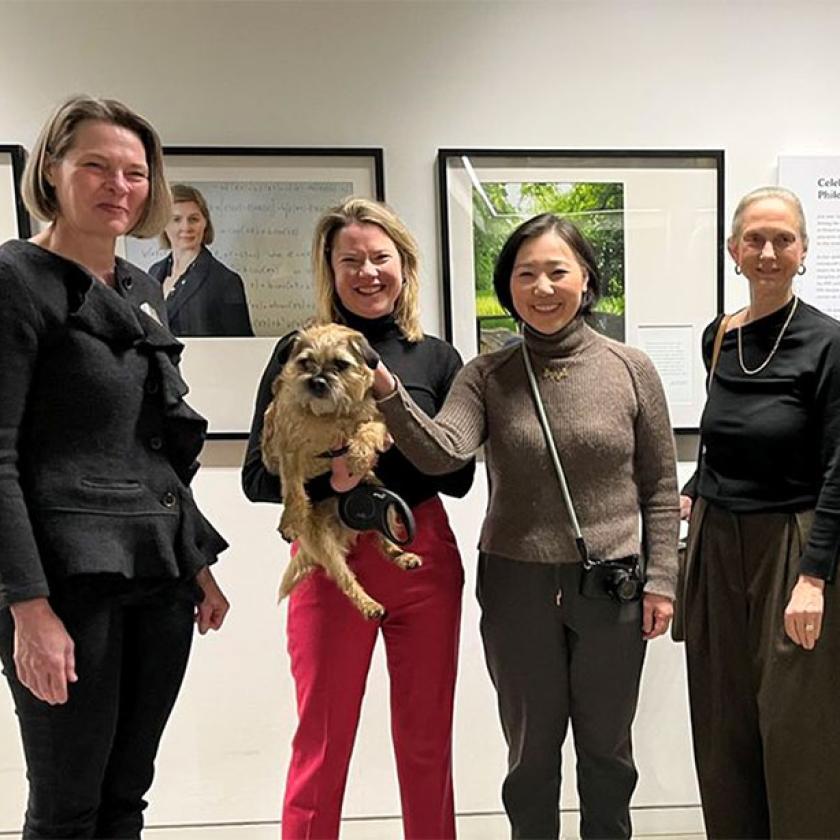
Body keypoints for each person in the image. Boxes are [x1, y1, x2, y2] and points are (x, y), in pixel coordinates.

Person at [371, 213, 679, 840]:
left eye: (557, 272)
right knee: (531, 756)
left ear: (587, 279)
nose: (542, 287)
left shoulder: (631, 367)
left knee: (607, 754)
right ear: (507, 285)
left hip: (613, 586)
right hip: (516, 587)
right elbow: (443, 451)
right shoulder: (487, 374)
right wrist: (385, 391)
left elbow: (660, 484)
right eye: (526, 273)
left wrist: (663, 580)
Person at [0, 95, 229, 839]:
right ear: (52, 170)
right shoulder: (14, 282)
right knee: (68, 805)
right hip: (67, 585)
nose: (118, 185)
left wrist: (195, 561)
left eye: (135, 171)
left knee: (127, 794)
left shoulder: (141, 290)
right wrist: (27, 608)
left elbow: (151, 446)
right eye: (95, 165)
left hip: (157, 581)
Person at [241, 197, 474, 839]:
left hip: (420, 553)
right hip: (328, 557)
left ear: (404, 264)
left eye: (380, 258)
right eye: (350, 260)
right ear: (330, 269)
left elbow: (458, 476)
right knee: (322, 739)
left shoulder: (435, 359)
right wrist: (331, 475)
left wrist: (395, 418)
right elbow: (258, 478)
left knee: (427, 741)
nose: (367, 273)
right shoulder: (299, 350)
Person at [678, 186, 840, 839]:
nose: (768, 252)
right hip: (718, 542)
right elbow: (724, 438)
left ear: (803, 252)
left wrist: (814, 576)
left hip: (792, 547)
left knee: (797, 730)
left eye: (783, 240)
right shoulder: (719, 338)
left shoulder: (828, 343)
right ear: (733, 251)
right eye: (755, 240)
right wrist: (694, 485)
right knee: (723, 725)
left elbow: (838, 465)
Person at [148, 183, 253, 337]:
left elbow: (242, 345)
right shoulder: (153, 273)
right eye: (176, 219)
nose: (186, 227)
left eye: (193, 219)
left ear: (205, 223)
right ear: (164, 224)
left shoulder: (226, 281)